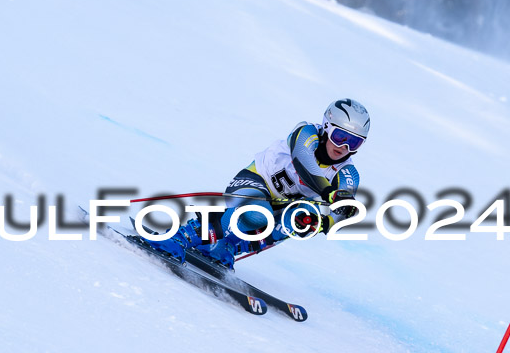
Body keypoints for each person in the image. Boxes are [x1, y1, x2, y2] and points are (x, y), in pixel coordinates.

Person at [145, 98, 370, 269]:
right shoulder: (306, 132)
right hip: (254, 183)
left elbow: (342, 205)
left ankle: (226, 246)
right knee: (256, 214)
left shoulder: (348, 172)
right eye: (341, 137)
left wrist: (326, 221)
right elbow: (305, 163)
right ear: (327, 127)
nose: (344, 148)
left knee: (302, 220)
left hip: (280, 206)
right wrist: (330, 193)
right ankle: (179, 236)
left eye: (354, 142)